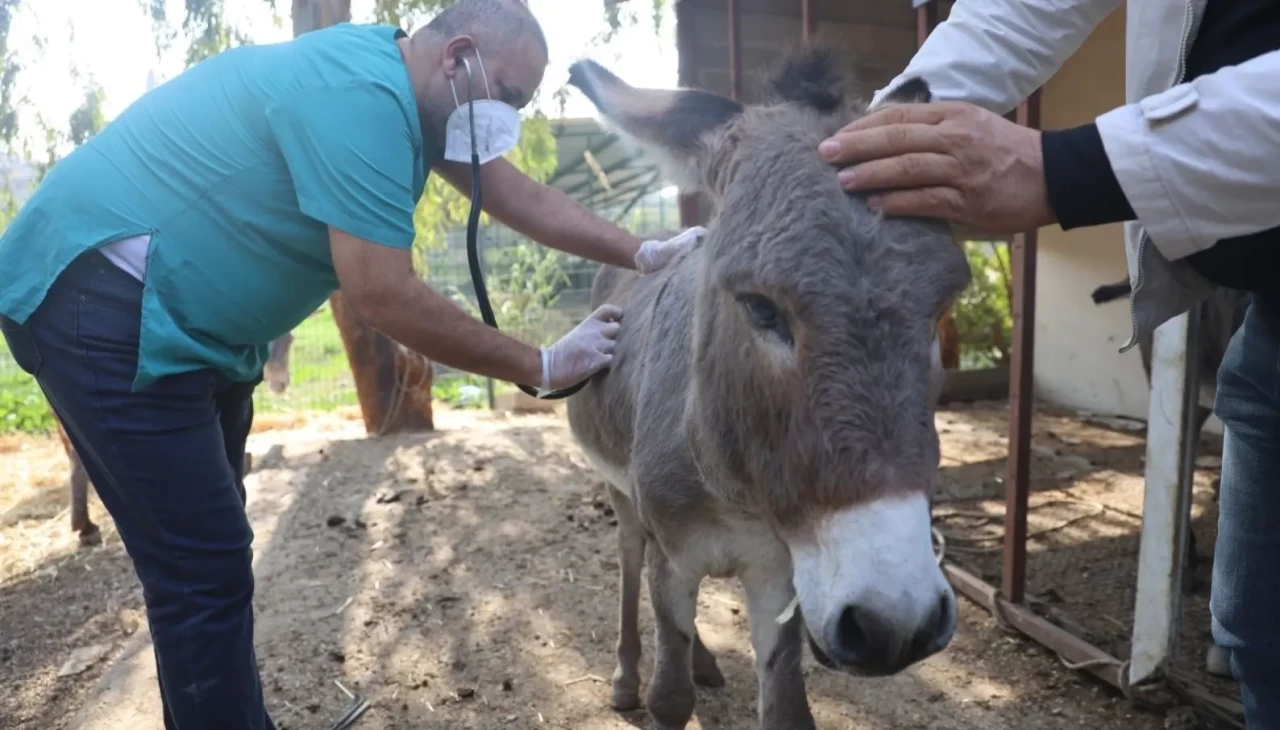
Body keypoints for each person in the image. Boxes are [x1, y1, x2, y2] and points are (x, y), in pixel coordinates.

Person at [0, 1, 700, 727]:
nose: (510, 121)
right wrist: (543, 363)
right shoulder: (363, 99)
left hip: (185, 329)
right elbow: (381, 293)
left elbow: (518, 195)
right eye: (512, 96)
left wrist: (641, 252)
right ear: (457, 58)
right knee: (200, 566)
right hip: (101, 299)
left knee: (204, 560)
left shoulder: (412, 91)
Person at [816, 0, 1279, 725]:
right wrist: (875, 140)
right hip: (1269, 325)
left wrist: (1069, 169)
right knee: (1258, 633)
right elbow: (1024, 8)